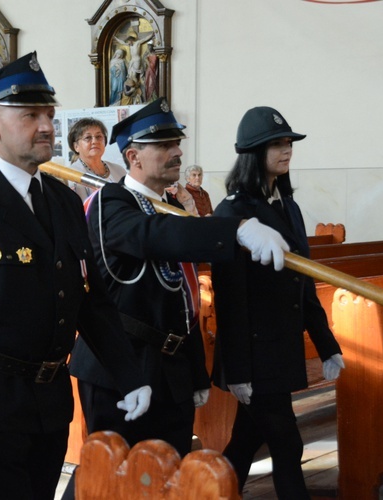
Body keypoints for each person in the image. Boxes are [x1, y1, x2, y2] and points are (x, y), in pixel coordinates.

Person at [0, 52, 152, 500]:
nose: (45, 126)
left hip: (51, 403)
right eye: (30, 115)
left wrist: (128, 373)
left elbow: (90, 299)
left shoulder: (60, 200)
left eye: (49, 115)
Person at [66, 98, 289, 474]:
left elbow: (182, 298)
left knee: (167, 477)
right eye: (164, 145)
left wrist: (195, 370)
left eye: (177, 143)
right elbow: (152, 235)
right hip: (121, 367)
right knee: (111, 480)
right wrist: (235, 228)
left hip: (171, 369)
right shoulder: (112, 203)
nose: (178, 152)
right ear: (134, 156)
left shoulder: (171, 206)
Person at [210, 106, 345, 499]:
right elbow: (229, 297)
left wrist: (326, 344)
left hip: (279, 351)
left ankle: (208, 493)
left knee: (243, 443)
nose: (286, 150)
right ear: (253, 153)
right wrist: (237, 370)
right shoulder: (232, 213)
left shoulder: (289, 207)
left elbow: (303, 282)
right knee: (288, 444)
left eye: (288, 143)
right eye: (276, 144)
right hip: (253, 356)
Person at [65, 117, 126, 200]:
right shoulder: (71, 175)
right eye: (88, 138)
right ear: (76, 146)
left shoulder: (119, 170)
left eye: (98, 136)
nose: (94, 141)